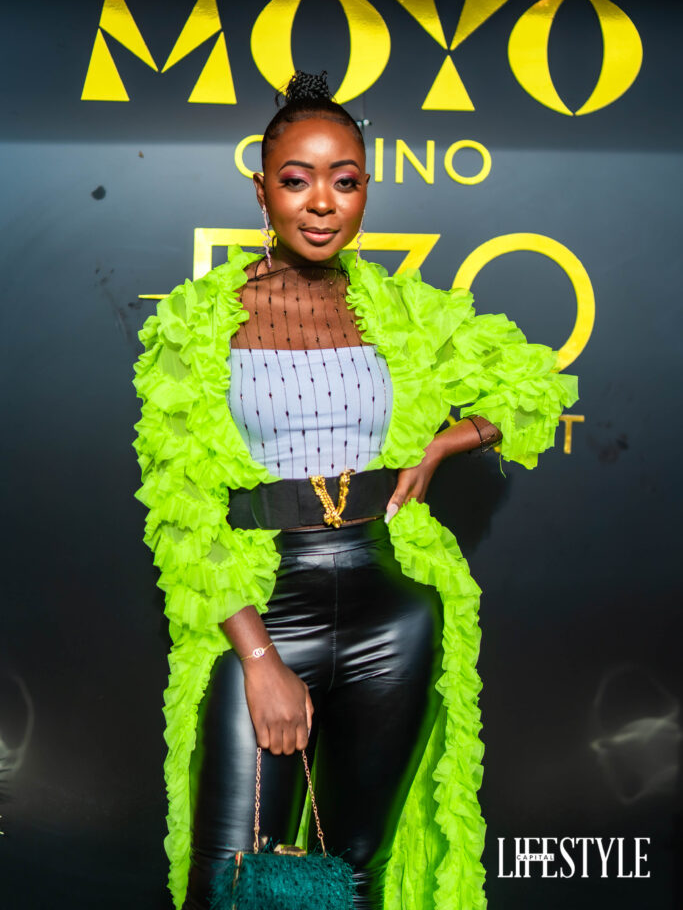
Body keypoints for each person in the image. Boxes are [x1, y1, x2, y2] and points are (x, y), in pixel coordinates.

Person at [133, 70, 579, 910]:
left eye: (344, 181)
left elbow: (536, 386)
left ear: (364, 189)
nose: (321, 203)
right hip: (263, 610)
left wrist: (446, 441)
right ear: (261, 189)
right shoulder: (196, 319)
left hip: (390, 612)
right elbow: (179, 508)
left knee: (350, 874)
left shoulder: (400, 308)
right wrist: (258, 659)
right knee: (228, 881)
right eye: (296, 180)